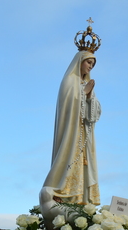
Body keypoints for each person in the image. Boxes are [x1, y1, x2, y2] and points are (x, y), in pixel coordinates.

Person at [41, 48, 101, 207]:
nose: (90, 67)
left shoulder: (85, 84)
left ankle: (82, 199)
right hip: (71, 133)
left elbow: (94, 114)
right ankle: (62, 193)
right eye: (89, 62)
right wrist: (83, 93)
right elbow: (68, 105)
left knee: (84, 166)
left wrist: (89, 98)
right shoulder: (69, 81)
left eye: (93, 65)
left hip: (85, 136)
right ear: (79, 62)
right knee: (68, 159)